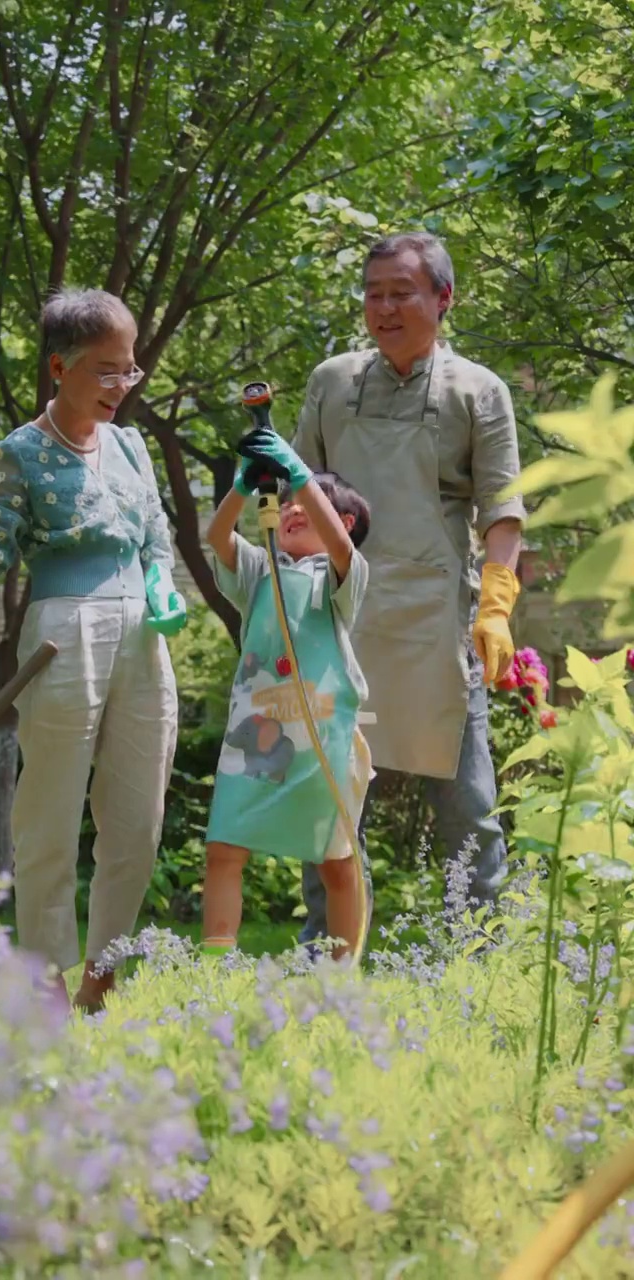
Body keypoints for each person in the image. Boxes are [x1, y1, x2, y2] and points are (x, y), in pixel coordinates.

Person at [0, 288, 185, 1012]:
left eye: (129, 371)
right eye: (105, 371)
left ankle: (102, 980)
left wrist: (162, 583)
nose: (121, 386)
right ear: (58, 367)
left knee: (137, 820)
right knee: (47, 818)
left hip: (142, 637)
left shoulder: (132, 447)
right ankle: (44, 984)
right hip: (60, 637)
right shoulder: (18, 454)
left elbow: (156, 537)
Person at [292, 231, 526, 944]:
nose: (385, 308)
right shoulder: (333, 381)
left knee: (468, 805)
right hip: (338, 618)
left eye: (402, 292)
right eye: (374, 294)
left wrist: (494, 608)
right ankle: (325, 955)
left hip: (437, 624)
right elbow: (295, 497)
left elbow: (504, 510)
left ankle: (474, 953)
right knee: (329, 801)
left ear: (443, 299)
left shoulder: (479, 391)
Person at [202, 429, 372, 959]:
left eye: (311, 503)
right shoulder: (260, 571)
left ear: (340, 522)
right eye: (290, 502)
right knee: (224, 848)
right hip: (253, 735)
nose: (295, 507)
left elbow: (341, 548)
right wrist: (242, 487)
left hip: (323, 735)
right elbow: (217, 536)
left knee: (337, 861)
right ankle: (214, 964)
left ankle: (341, 976)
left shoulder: (342, 576)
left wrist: (297, 472)